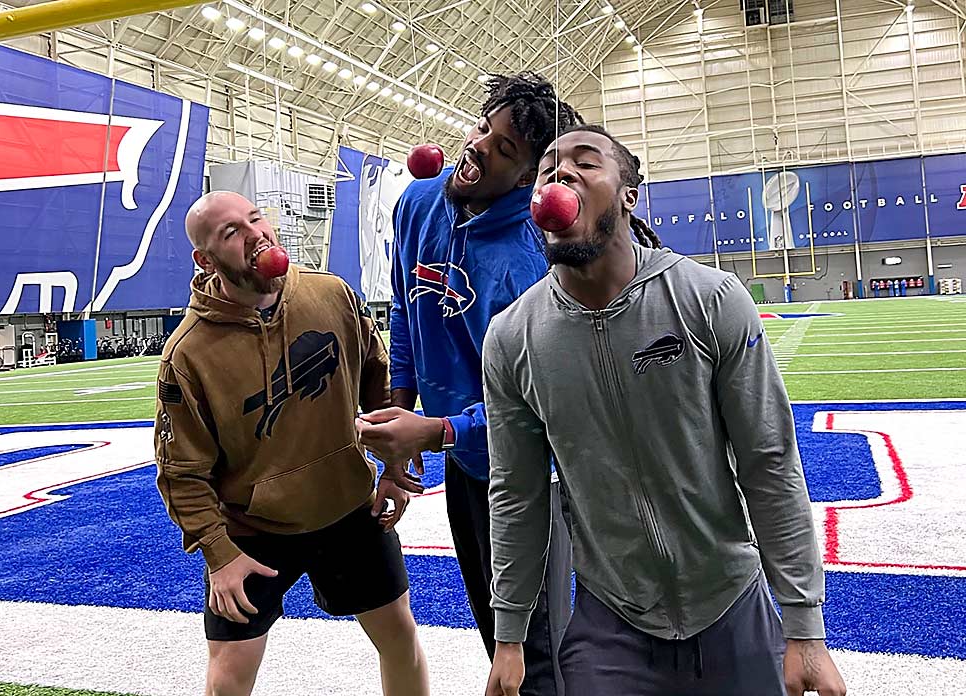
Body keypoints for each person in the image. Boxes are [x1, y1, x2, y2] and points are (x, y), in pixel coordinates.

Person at [482, 125, 848, 696]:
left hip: (730, 605)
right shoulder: (511, 338)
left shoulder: (711, 299)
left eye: (585, 162)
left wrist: (804, 626)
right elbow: (517, 491)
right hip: (610, 624)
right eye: (549, 168)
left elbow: (769, 462)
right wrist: (510, 637)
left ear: (629, 193)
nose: (561, 176)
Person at [355, 72, 582, 696]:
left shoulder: (535, 261)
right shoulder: (418, 202)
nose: (480, 146)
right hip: (464, 463)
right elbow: (404, 313)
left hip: (533, 475)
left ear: (532, 178)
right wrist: (399, 454)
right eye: (484, 129)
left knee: (541, 652)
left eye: (505, 149)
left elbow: (540, 407)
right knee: (494, 632)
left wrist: (432, 430)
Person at [153, 191, 429, 696]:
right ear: (205, 259)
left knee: (400, 637)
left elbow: (380, 389)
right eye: (231, 232)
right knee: (230, 674)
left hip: (348, 509)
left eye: (255, 218)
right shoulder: (188, 353)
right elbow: (181, 472)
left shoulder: (331, 295)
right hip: (250, 531)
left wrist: (392, 467)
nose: (255, 234)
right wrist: (219, 554)